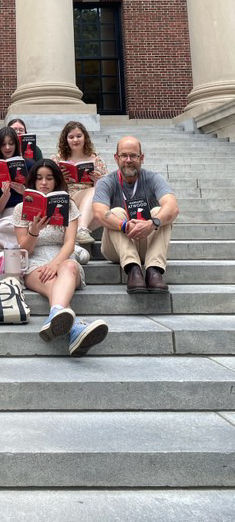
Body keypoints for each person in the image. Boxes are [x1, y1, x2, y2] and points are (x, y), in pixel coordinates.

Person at [12, 159, 108, 356]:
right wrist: (34, 231)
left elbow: (70, 243)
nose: (44, 183)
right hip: (34, 262)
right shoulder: (21, 209)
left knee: (70, 267)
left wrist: (56, 263)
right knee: (54, 281)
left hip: (64, 258)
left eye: (49, 178)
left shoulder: (68, 205)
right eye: (39, 178)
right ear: (33, 182)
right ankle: (75, 330)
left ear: (56, 181)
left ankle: (55, 314)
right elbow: (24, 250)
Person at [92, 135, 179, 293]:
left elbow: (173, 207)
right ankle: (133, 270)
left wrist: (152, 223)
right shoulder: (107, 182)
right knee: (116, 212)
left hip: (147, 243)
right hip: (116, 249)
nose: (128, 160)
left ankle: (154, 271)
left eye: (133, 155)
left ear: (142, 158)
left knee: (160, 213)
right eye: (124, 155)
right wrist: (124, 225)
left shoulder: (153, 178)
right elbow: (99, 213)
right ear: (116, 158)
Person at [53, 121, 108, 244]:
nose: (75, 140)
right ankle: (81, 229)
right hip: (67, 197)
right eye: (71, 137)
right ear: (65, 139)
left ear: (85, 137)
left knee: (98, 195)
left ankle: (76, 231)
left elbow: (107, 188)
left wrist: (98, 181)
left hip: (91, 199)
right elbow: (46, 184)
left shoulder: (96, 160)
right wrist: (59, 178)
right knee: (96, 196)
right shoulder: (57, 159)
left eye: (79, 136)